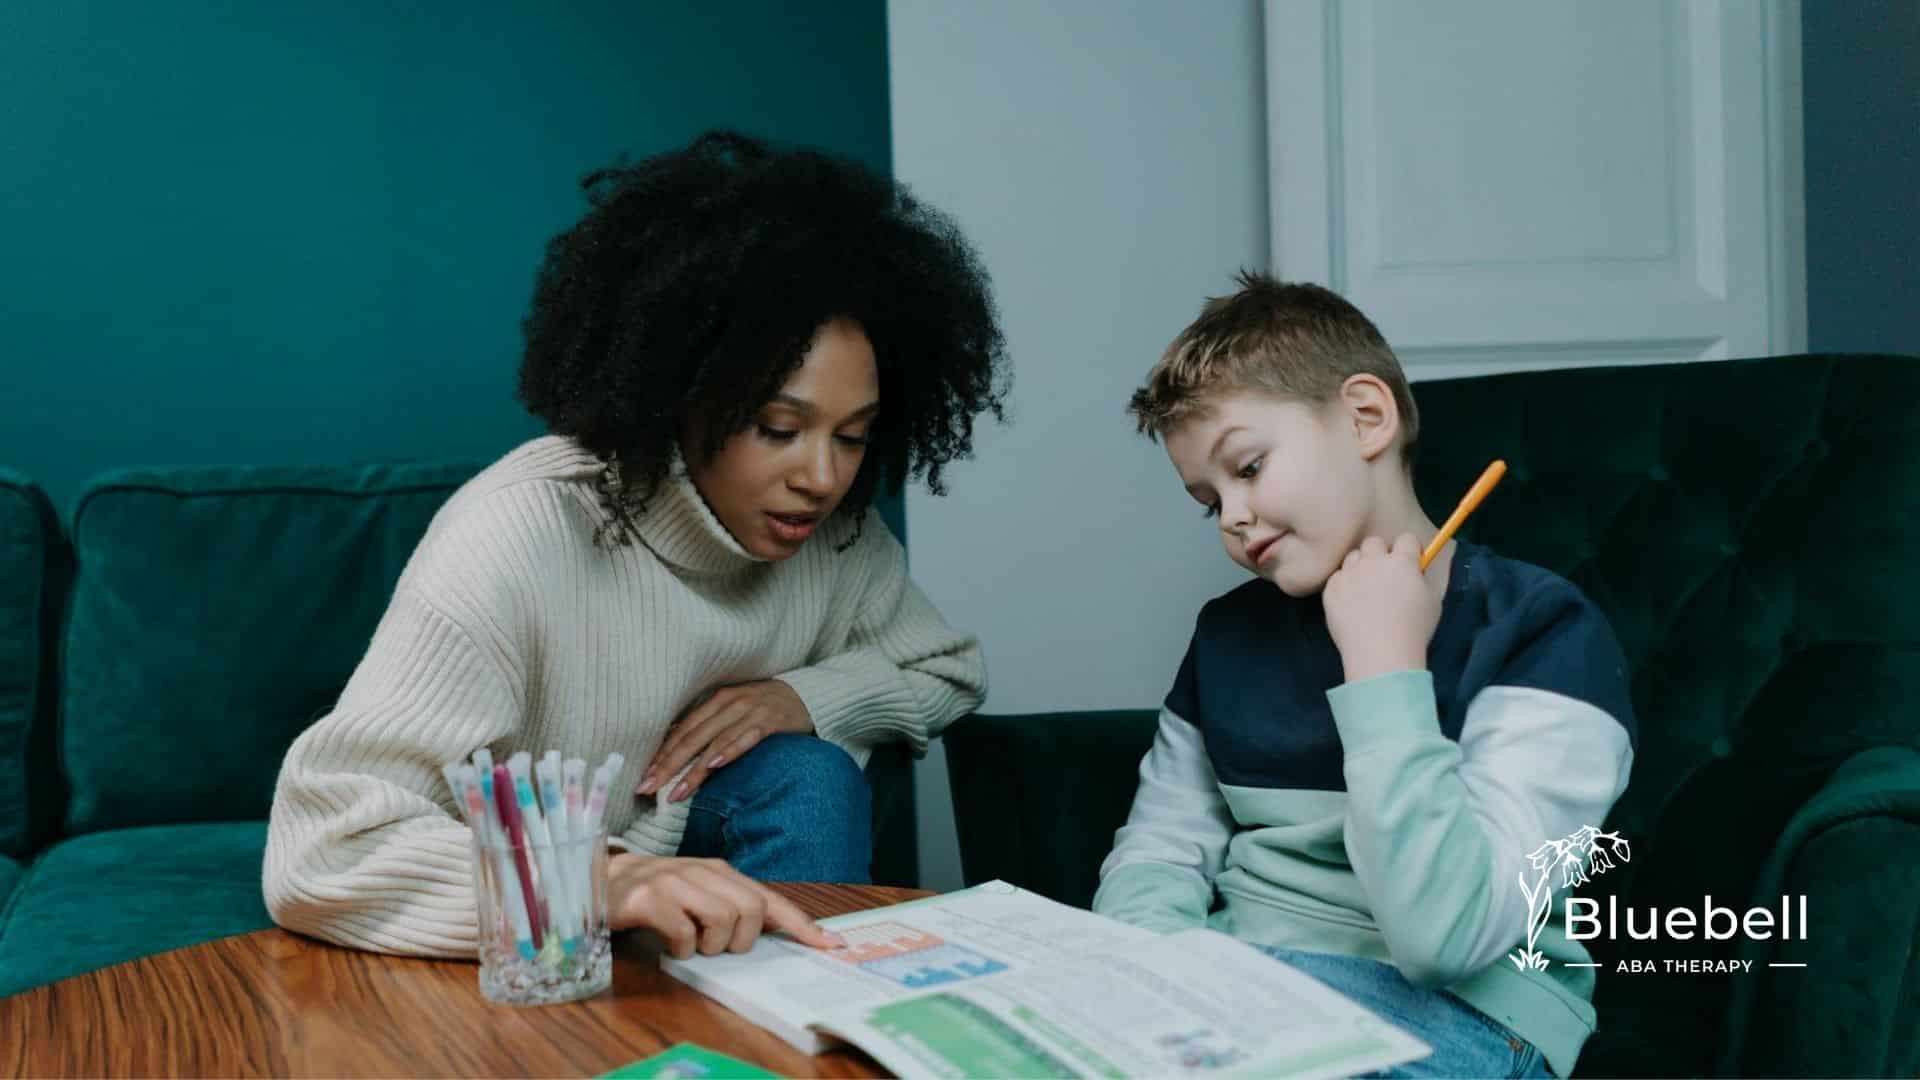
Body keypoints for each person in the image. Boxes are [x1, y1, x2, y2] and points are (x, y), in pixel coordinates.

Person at [264, 130, 1006, 962]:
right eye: (779, 428)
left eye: (855, 436)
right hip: (531, 922)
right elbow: (321, 849)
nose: (822, 478)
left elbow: (947, 669)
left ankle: (808, 1021)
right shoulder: (517, 532)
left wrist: (804, 700)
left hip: (717, 900)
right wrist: (600, 882)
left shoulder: (838, 542)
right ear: (682, 395)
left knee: (809, 776)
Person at [1095, 272, 1635, 1079]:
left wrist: (1386, 667)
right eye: (1210, 501)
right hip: (1241, 981)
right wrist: (1161, 978)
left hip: (1468, 1009)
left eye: (1247, 467)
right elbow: (1160, 851)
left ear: (1365, 416)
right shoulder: (1226, 637)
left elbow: (1443, 939)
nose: (1234, 519)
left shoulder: (1546, 634)